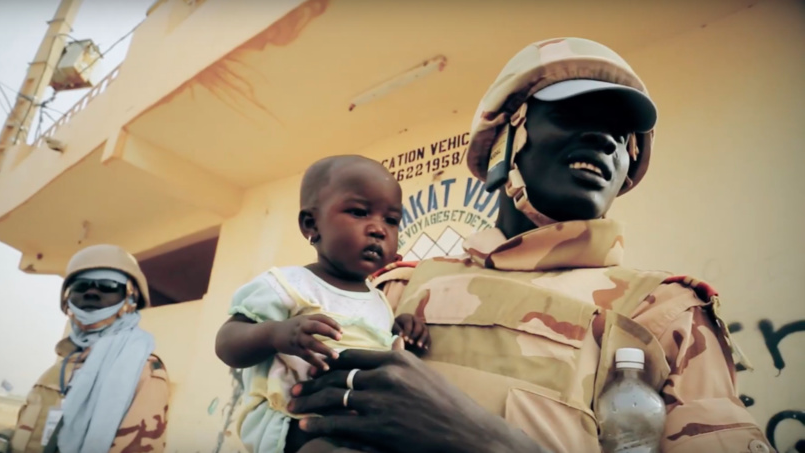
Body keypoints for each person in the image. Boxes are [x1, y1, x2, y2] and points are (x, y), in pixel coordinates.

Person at [286, 37, 774, 453]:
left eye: (621, 135)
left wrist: (484, 440)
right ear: (504, 140)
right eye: (574, 112)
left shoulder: (666, 314)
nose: (606, 140)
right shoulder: (397, 288)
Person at [214, 155, 428, 453]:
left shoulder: (379, 300)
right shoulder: (288, 285)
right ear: (311, 224)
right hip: (291, 420)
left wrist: (403, 332)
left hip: (357, 426)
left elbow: (375, 345)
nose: (379, 229)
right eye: (359, 212)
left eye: (391, 220)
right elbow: (227, 342)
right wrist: (276, 334)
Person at [0, 244, 169, 453]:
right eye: (81, 286)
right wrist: (6, 439)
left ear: (130, 298)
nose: (91, 292)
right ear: (67, 297)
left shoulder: (143, 370)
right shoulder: (64, 364)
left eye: (108, 286)